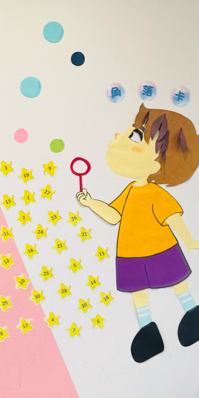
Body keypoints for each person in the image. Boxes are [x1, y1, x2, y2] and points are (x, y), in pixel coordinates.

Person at [77, 104, 199, 363]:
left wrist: (188, 240)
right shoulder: (130, 190)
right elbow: (113, 215)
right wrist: (91, 203)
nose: (117, 136)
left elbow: (173, 217)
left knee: (178, 282)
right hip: (131, 254)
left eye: (134, 136)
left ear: (156, 163)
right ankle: (147, 332)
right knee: (139, 293)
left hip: (161, 249)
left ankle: (192, 313)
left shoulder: (155, 193)